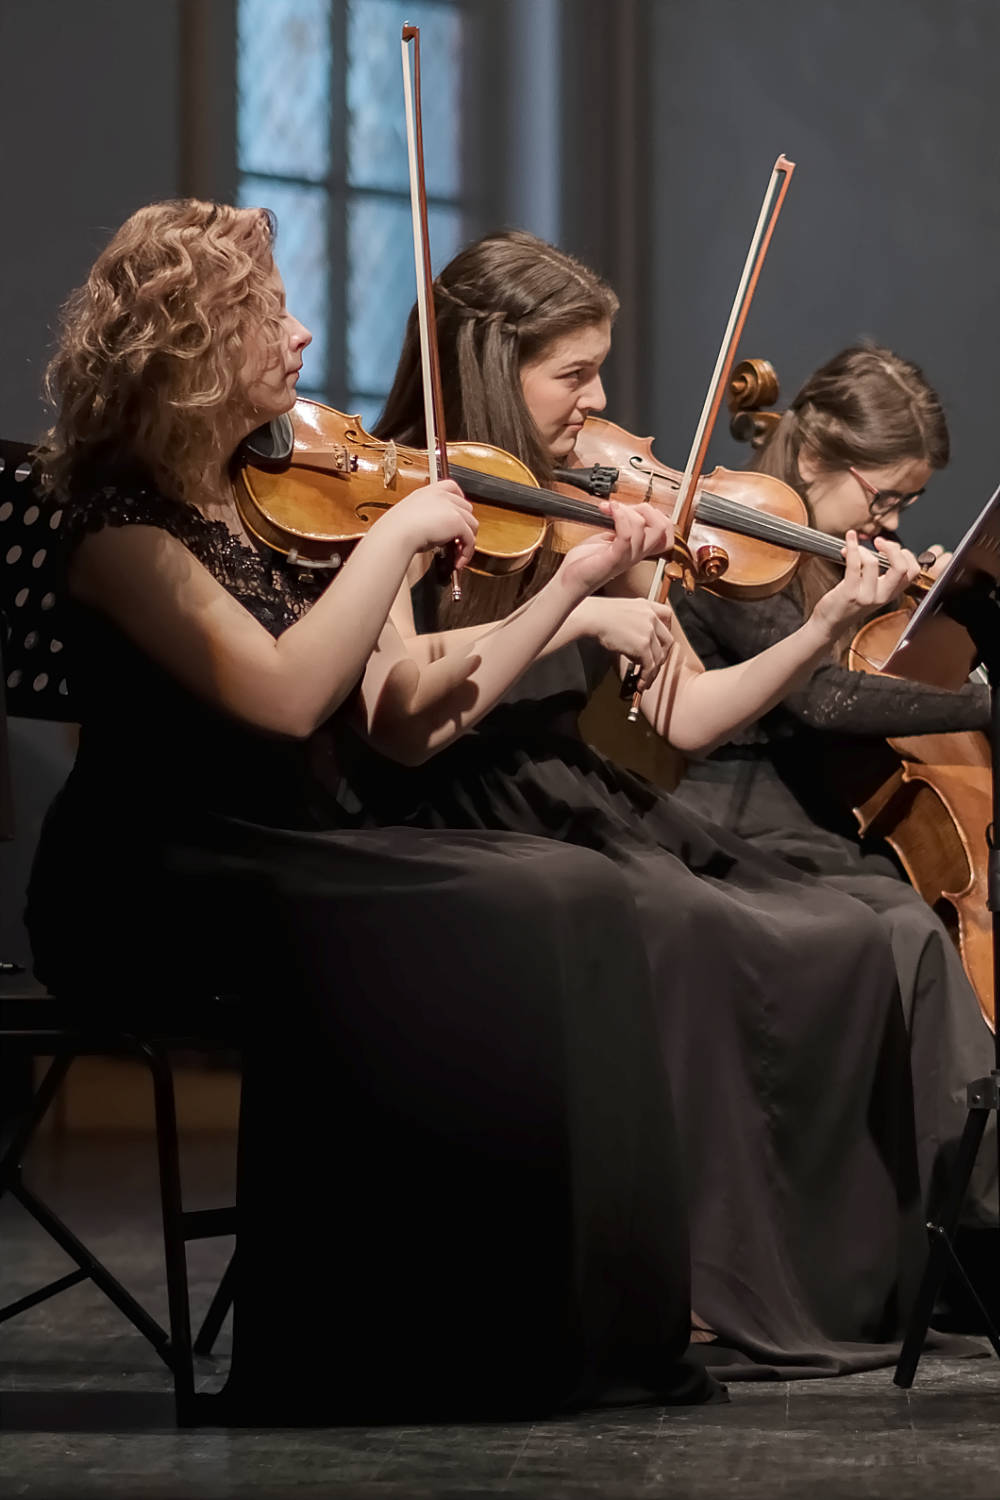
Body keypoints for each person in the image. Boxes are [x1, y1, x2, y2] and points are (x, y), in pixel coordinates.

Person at [23, 199, 725, 1420]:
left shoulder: (278, 500)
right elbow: (291, 700)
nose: (301, 339)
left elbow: (409, 712)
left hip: (290, 853)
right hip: (153, 878)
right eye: (268, 318)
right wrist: (395, 538)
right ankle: (408, 1339)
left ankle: (576, 1324)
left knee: (572, 886)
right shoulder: (120, 534)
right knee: (503, 908)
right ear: (193, 348)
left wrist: (564, 583)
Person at [339, 227, 950, 1378]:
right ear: (485, 363)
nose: (602, 400)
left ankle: (851, 1282)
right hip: (465, 812)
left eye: (599, 369)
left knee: (853, 928)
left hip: (581, 794)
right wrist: (570, 606)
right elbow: (406, 730)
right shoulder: (396, 492)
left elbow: (684, 717)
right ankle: (698, 1280)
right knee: (700, 925)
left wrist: (823, 622)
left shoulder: (582, 497)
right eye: (572, 374)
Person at [670, 346, 996, 1229]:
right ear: (816, 459)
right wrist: (982, 706)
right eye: (882, 497)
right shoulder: (739, 528)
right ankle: (964, 1211)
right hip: (721, 806)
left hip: (805, 808)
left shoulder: (837, 545)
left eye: (907, 505)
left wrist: (953, 603)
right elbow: (822, 698)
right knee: (902, 922)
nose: (888, 522)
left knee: (904, 908)